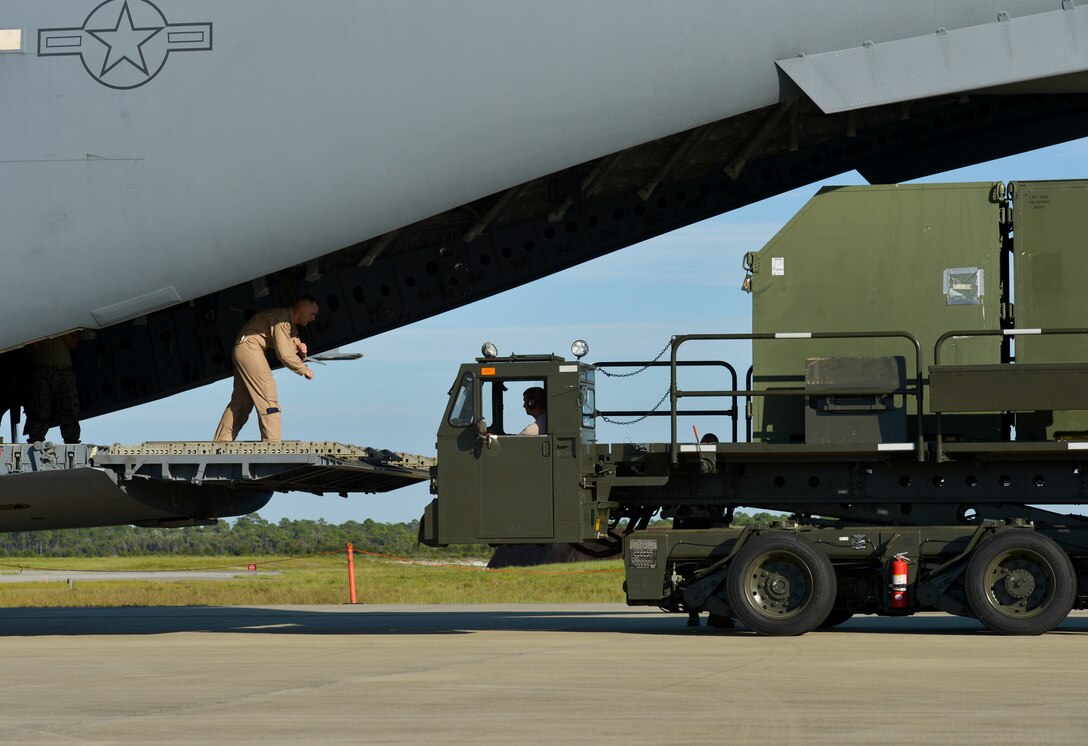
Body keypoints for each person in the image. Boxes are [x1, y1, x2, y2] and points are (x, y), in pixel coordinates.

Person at [213, 296, 319, 442]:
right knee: (268, 394)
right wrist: (304, 369)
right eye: (312, 314)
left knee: (242, 400)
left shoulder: (290, 326)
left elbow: (294, 349)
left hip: (244, 348)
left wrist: (302, 352)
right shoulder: (282, 320)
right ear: (302, 309)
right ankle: (272, 444)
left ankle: (222, 442)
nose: (313, 318)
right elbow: (285, 354)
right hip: (250, 348)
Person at [23, 333, 80, 444]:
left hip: (62, 370)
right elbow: (33, 345)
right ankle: (36, 440)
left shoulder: (65, 325)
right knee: (39, 410)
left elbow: (73, 344)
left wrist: (59, 332)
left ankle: (71, 441)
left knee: (69, 409)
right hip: (41, 370)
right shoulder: (37, 325)